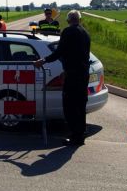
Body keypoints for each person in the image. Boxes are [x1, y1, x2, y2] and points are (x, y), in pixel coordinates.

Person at [34, 10, 90, 146]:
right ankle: (80, 135)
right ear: (79, 20)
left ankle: (75, 136)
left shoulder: (68, 32)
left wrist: (43, 60)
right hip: (83, 74)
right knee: (80, 105)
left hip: (72, 74)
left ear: (69, 20)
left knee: (69, 105)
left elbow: (59, 51)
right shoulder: (85, 33)